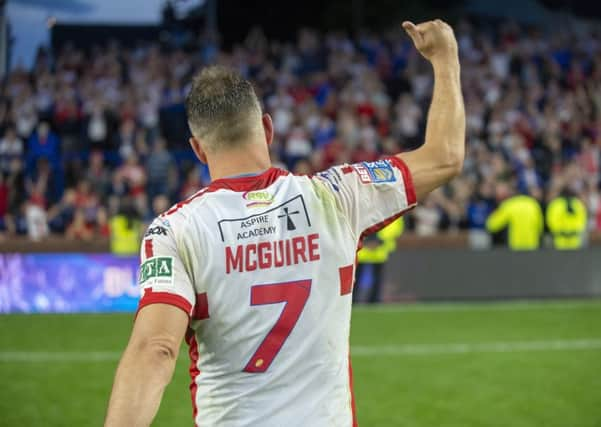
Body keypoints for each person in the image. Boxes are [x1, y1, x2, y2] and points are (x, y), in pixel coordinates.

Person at [105, 19, 465, 427]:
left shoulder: (174, 230)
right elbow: (445, 156)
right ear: (268, 128)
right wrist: (444, 56)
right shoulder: (337, 195)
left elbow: (156, 348)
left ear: (198, 150)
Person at [353, 217, 404, 304]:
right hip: (365, 250)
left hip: (375, 251)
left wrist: (378, 240)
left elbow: (395, 227)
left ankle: (373, 300)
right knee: (356, 277)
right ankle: (355, 300)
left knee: (375, 278)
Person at [486, 186, 544, 250]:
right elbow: (540, 226)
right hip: (532, 244)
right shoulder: (534, 204)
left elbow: (492, 225)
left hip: (515, 245)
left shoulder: (509, 204)